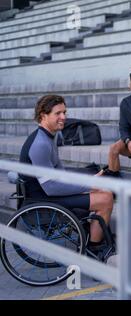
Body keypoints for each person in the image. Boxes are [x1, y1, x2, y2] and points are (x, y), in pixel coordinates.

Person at [19, 95, 114, 244]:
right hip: (43, 200)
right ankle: (94, 249)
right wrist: (89, 185)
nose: (63, 117)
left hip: (49, 194)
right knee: (105, 198)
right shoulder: (40, 144)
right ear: (44, 116)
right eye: (58, 113)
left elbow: (60, 173)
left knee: (104, 191)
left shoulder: (49, 137)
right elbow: (50, 187)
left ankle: (92, 235)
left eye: (64, 112)